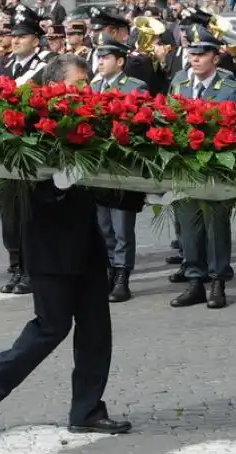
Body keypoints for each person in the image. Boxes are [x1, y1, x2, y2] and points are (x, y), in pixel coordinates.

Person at [0, 55, 131, 437]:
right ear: (55, 86)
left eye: (87, 82)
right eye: (79, 83)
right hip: (49, 245)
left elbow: (105, 182)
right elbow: (24, 189)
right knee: (51, 326)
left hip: (87, 242)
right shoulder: (32, 126)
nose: (87, 90)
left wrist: (153, 194)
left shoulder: (90, 123)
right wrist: (57, 184)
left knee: (96, 330)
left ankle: (87, 410)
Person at [168, 24, 236, 309]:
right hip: (186, 166)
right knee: (188, 226)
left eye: (202, 54)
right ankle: (194, 281)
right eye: (192, 53)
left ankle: (218, 281)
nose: (196, 58)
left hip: (215, 167)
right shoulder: (179, 83)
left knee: (215, 225)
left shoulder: (229, 87)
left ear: (215, 58)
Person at [0, 5, 49, 296]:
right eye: (13, 36)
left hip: (32, 147)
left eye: (22, 36)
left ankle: (32, 268)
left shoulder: (46, 64)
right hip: (7, 147)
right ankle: (15, 265)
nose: (15, 41)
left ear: (36, 40)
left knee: (31, 211)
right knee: (10, 211)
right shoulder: (3, 64)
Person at [90, 33, 147, 303]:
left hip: (124, 168)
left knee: (122, 225)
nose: (100, 61)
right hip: (98, 168)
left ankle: (123, 274)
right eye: (99, 57)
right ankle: (111, 268)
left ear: (120, 61)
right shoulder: (93, 86)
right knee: (103, 225)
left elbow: (142, 127)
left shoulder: (135, 87)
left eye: (106, 57)